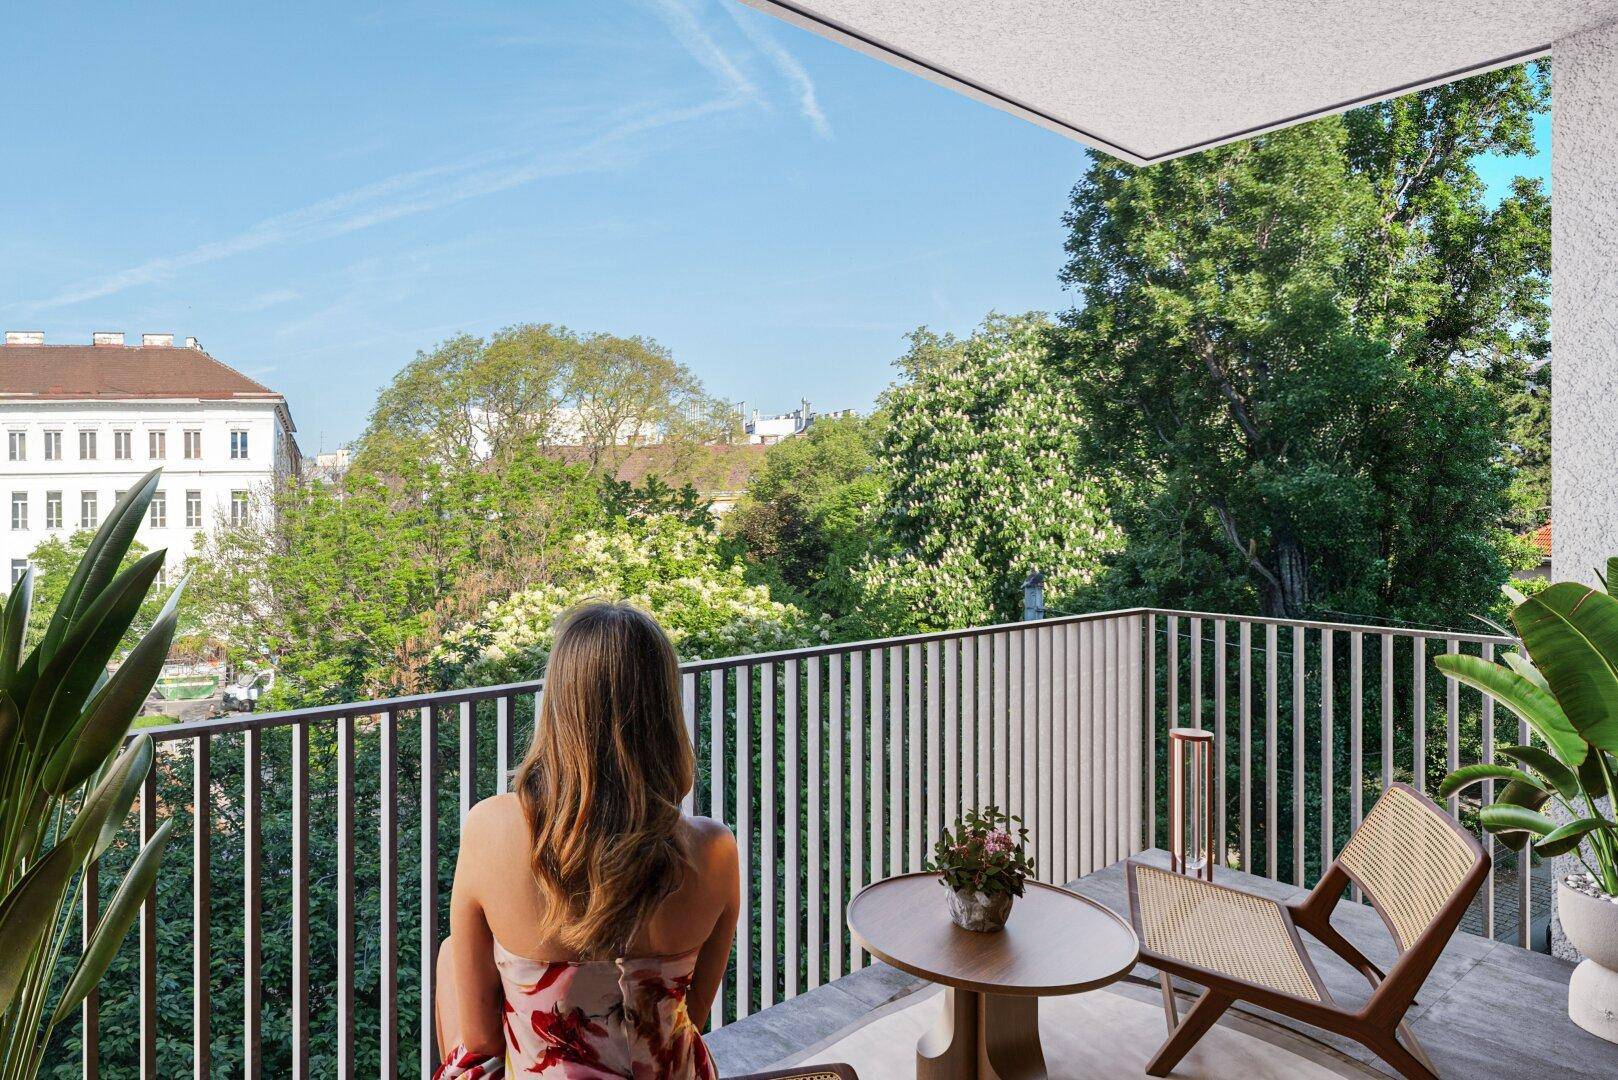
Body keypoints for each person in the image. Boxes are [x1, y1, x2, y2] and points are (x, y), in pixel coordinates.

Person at [435, 602, 739, 1078]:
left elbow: (481, 1040)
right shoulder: (716, 851)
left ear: (557, 704)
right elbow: (691, 1019)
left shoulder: (490, 828)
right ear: (664, 712)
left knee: (451, 952)